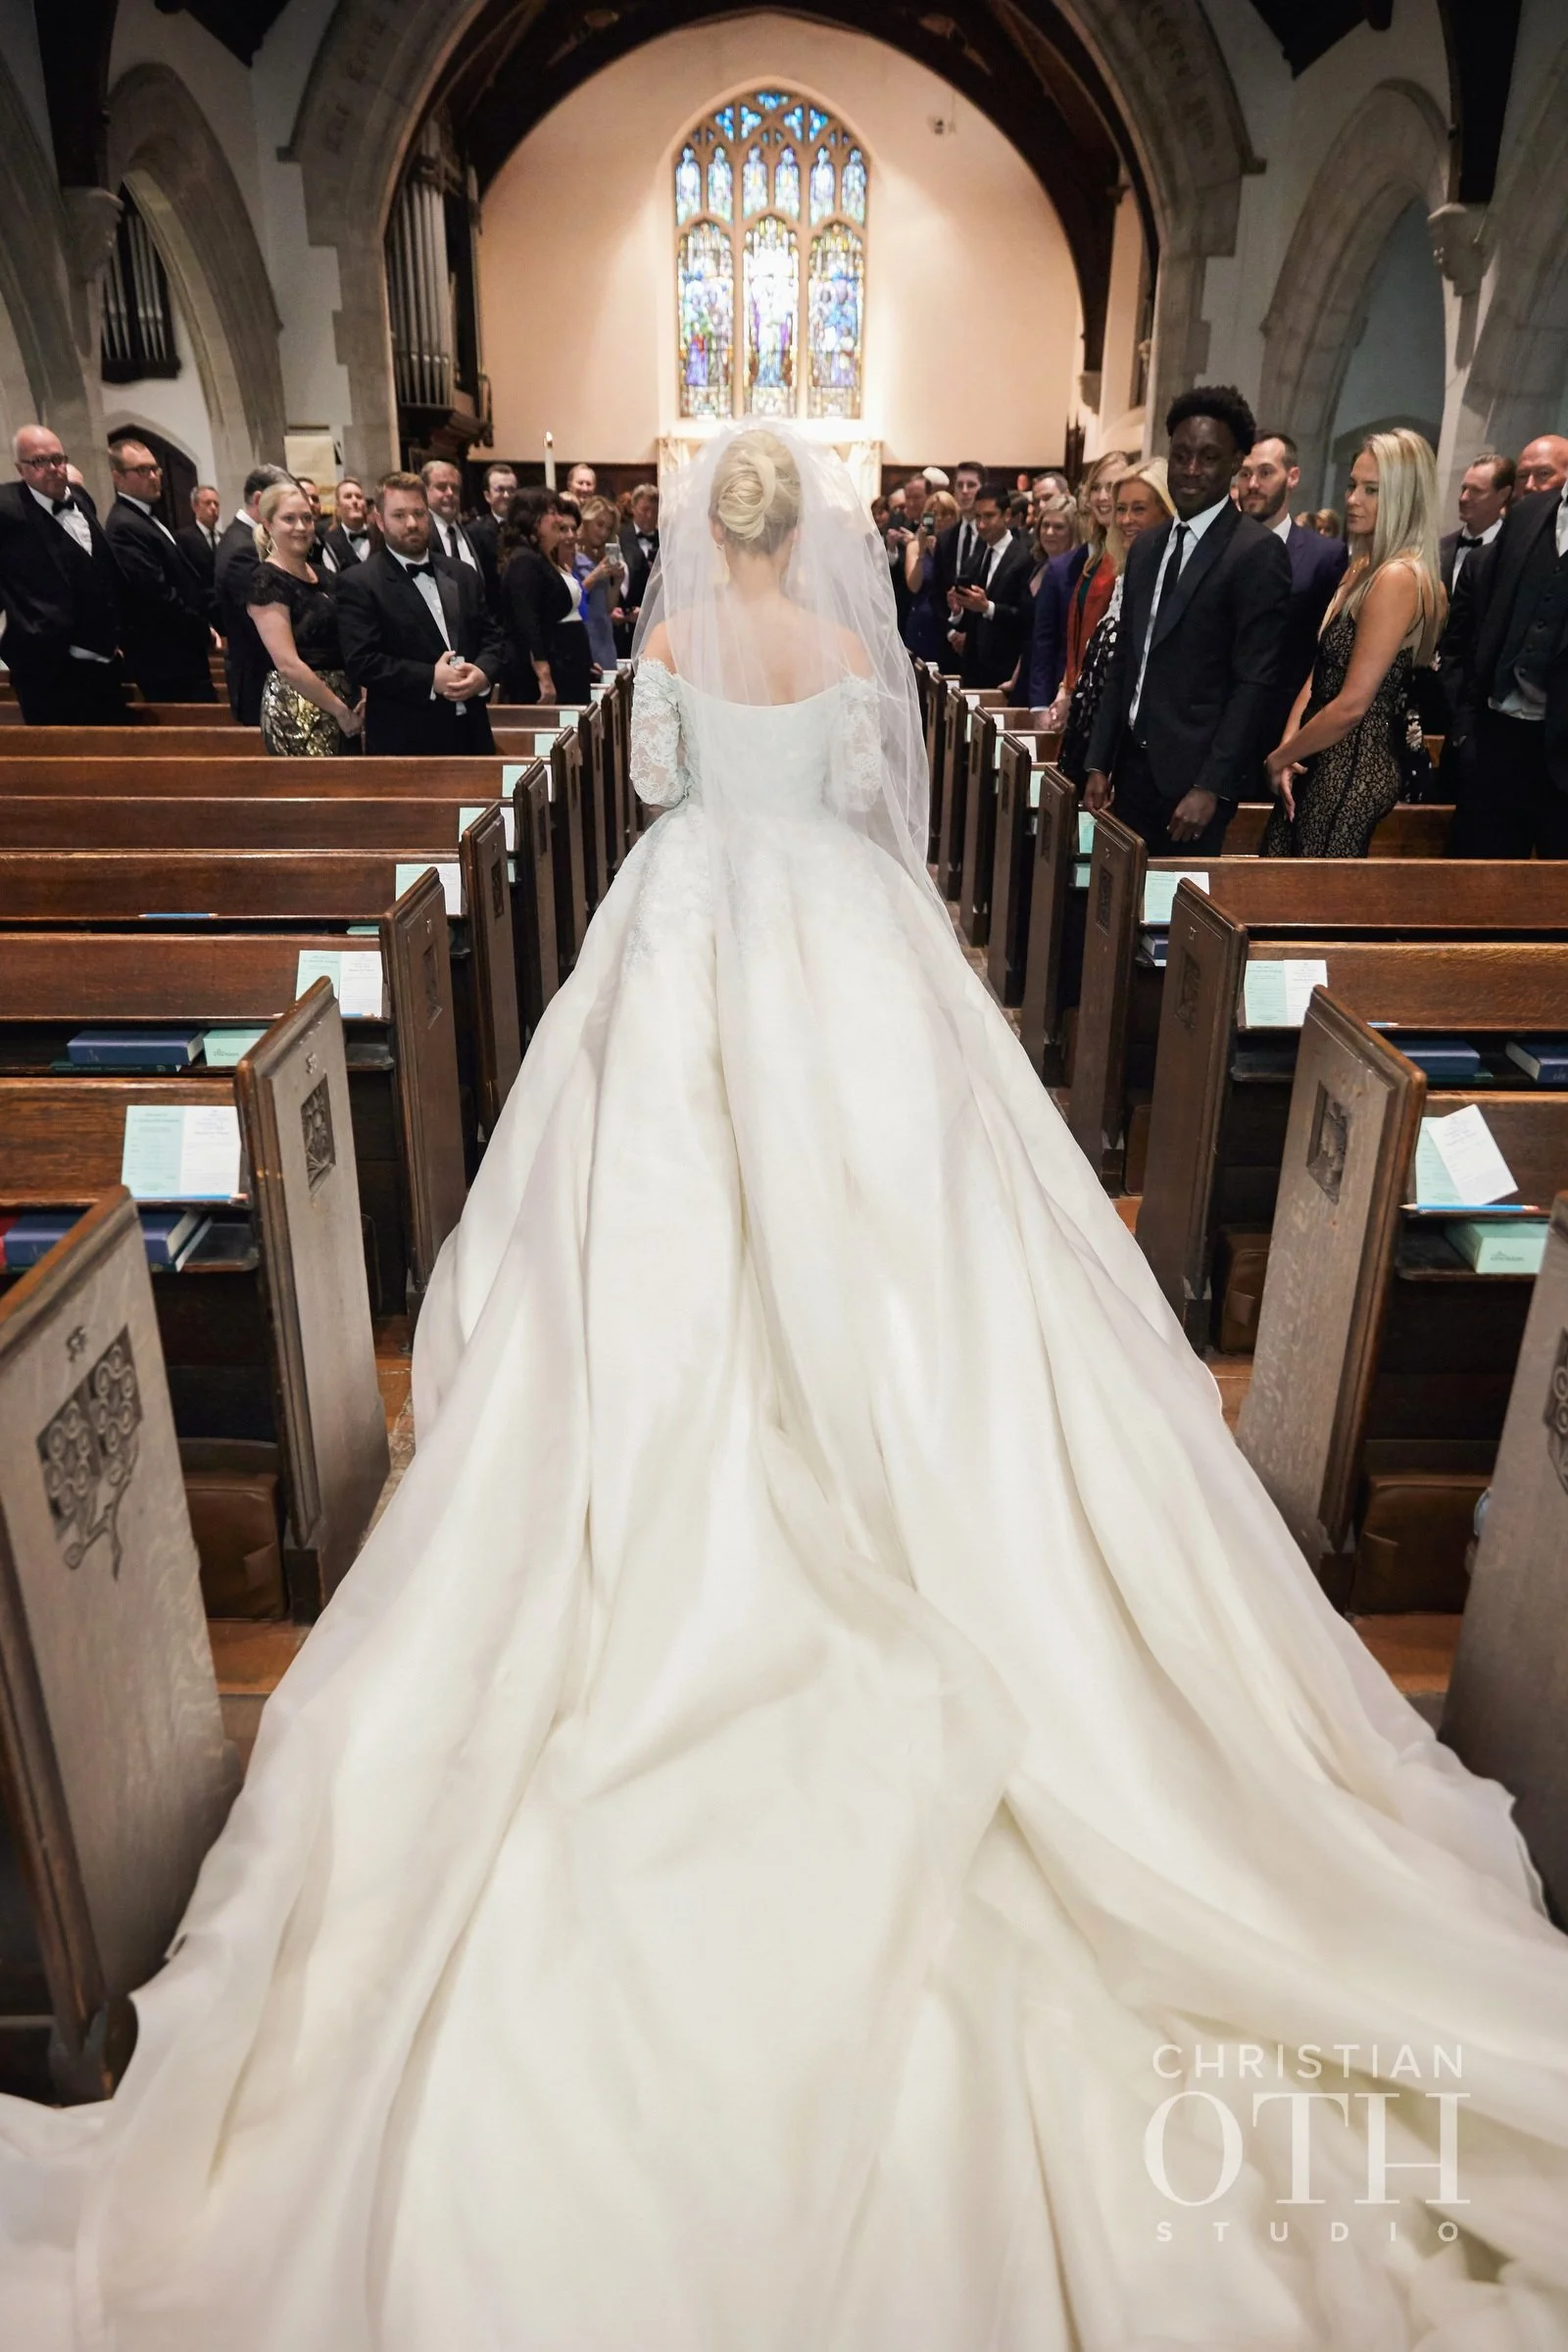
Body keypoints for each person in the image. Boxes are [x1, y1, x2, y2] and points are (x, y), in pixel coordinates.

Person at [7, 417, 1568, 2351]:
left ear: (693, 540)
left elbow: (659, 801)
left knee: (644, 1255)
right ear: (811, 539)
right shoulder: (852, 663)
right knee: (915, 1252)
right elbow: (874, 831)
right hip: (842, 950)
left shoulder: (661, 664)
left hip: (679, 946)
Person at [1086, 385, 1290, 852]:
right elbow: (1126, 663)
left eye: (1208, 457)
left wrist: (1211, 786)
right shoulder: (1148, 547)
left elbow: (1253, 683)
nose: (1192, 470)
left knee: (1178, 918)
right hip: (1131, 772)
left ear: (1236, 462)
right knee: (1114, 911)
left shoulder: (1256, 553)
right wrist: (1099, 760)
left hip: (1193, 784)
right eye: (1181, 456)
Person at [1262, 428, 1445, 857]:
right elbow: (1320, 671)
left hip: (1351, 772)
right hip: (1318, 759)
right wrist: (1289, 752)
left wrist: (1278, 758)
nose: (1352, 500)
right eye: (1351, 485)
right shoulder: (1362, 566)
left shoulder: (1399, 577)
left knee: (1306, 908)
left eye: (1371, 490)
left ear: (1405, 497)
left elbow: (1353, 704)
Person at [1441, 432, 1568, 858]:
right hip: (1497, 742)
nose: (1531, 483)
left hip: (1561, 755)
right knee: (1471, 898)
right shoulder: (1529, 515)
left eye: (1544, 473)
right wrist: (1466, 729)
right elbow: (1479, 636)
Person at [334, 470, 504, 756]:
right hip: (406, 739)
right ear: (379, 520)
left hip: (472, 733)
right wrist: (429, 678)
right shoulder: (359, 582)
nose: (412, 523)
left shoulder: (462, 574)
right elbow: (362, 661)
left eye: (418, 513)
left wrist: (483, 673)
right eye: (399, 515)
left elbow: (492, 638)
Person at [1237, 430, 1348, 793]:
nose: (1252, 484)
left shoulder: (1324, 556)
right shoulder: (1218, 548)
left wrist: (1296, 739)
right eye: (1244, 473)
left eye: (1265, 473)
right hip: (1217, 730)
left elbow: (1326, 651)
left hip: (1284, 729)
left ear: (1293, 477)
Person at [1057, 461, 1175, 782]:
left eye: (1138, 509)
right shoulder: (1125, 574)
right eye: (1121, 508)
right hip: (1095, 742)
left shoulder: (1170, 584)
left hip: (1134, 758)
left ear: (1167, 513)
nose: (1125, 520)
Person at [0, 423, 126, 722]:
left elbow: (103, 572)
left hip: (105, 665)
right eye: (40, 462)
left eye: (58, 459)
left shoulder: (81, 500)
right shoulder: (6, 509)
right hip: (47, 671)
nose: (54, 468)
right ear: (21, 469)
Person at [244, 478, 362, 756]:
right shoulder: (266, 580)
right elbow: (287, 663)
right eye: (289, 519)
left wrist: (361, 696)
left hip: (345, 703)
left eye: (307, 518)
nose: (301, 527)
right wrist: (339, 710)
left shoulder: (325, 576)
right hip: (298, 709)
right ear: (268, 524)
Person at [103, 439, 217, 704]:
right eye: (142, 470)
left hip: (180, 655)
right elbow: (157, 594)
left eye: (155, 469)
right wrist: (202, 628)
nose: (153, 476)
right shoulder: (125, 526)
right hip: (166, 658)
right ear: (118, 477)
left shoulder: (145, 518)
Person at [1034, 450, 1129, 724]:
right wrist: (1065, 689)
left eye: (1111, 488)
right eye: (1096, 487)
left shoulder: (1133, 557)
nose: (1101, 496)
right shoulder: (1095, 559)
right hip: (1080, 700)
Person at [501, 485, 592, 705]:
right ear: (531, 518)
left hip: (567, 663)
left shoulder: (540, 557)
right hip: (550, 669)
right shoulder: (524, 560)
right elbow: (527, 623)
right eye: (552, 512)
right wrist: (544, 676)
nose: (559, 519)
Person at [216, 462, 292, 723]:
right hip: (260, 680)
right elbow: (258, 625)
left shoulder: (240, 537)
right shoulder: (244, 548)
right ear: (260, 500)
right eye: (284, 509)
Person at [946, 478, 1032, 689]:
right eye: (978, 517)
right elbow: (969, 618)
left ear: (1007, 515)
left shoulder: (1024, 558)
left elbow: (1026, 617)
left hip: (1005, 669)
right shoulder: (976, 558)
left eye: (989, 516)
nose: (982, 524)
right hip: (973, 667)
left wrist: (988, 608)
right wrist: (957, 611)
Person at [898, 486, 957, 661]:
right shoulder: (915, 546)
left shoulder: (957, 546)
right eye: (933, 514)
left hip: (949, 620)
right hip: (922, 620)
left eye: (946, 514)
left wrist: (941, 555)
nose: (939, 520)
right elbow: (913, 586)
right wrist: (923, 552)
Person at [1442, 451, 1514, 594]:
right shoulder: (1441, 548)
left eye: (1476, 491)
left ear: (1503, 495)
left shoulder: (1512, 551)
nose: (1463, 498)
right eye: (1464, 489)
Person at [575, 492, 627, 677]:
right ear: (587, 521)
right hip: (582, 636)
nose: (603, 532)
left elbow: (607, 608)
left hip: (604, 636)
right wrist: (595, 575)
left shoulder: (601, 557)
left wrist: (617, 582)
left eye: (608, 528)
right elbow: (571, 599)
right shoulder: (571, 556)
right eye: (599, 525)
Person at [421, 459, 485, 584]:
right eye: (442, 487)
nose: (450, 493)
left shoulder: (472, 534)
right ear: (424, 491)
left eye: (455, 488)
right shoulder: (421, 534)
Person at [931, 457, 985, 603]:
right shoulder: (945, 538)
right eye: (960, 485)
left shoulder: (992, 535)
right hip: (950, 620)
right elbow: (937, 590)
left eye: (971, 485)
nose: (965, 491)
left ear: (983, 489)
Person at [467, 461, 517, 609]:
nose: (507, 495)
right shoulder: (474, 531)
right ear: (487, 496)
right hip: (492, 610)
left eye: (511, 490)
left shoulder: (527, 528)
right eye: (500, 490)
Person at [617, 480, 660, 637]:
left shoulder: (666, 541)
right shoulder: (620, 536)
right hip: (626, 624)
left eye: (655, 511)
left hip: (656, 621)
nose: (650, 516)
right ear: (633, 509)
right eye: (645, 509)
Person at [175, 482, 222, 591]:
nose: (213, 507)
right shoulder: (183, 538)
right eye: (207, 503)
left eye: (216, 504)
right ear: (194, 506)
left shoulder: (225, 539)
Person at [322, 474, 373, 570]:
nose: (354, 500)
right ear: (338, 507)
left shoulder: (380, 536)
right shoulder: (328, 543)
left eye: (359, 497)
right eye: (348, 496)